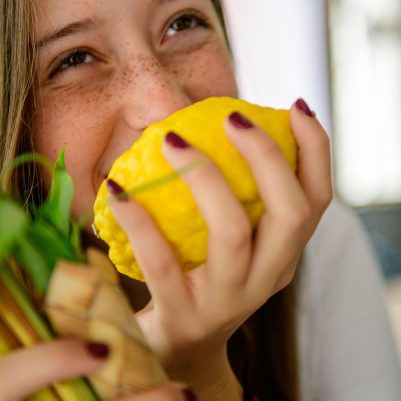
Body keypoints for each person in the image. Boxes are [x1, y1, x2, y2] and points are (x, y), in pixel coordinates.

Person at [0, 1, 399, 401]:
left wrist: (202, 375)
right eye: (75, 59)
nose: (164, 103)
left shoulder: (323, 244)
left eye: (182, 23)